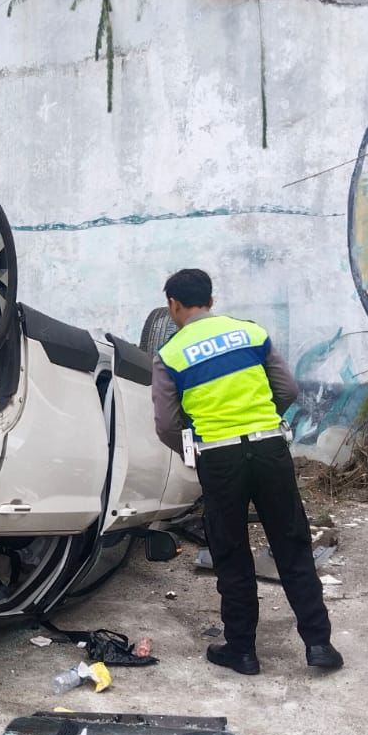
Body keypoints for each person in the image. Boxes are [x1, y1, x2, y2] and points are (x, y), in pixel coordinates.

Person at [150, 268, 343, 675]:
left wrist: (194, 451)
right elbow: (288, 389)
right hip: (270, 449)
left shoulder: (170, 355)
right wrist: (263, 424)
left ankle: (241, 651)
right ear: (211, 300)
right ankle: (319, 645)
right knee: (292, 545)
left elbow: (166, 424)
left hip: (219, 458)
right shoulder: (251, 333)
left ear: (173, 305)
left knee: (231, 551)